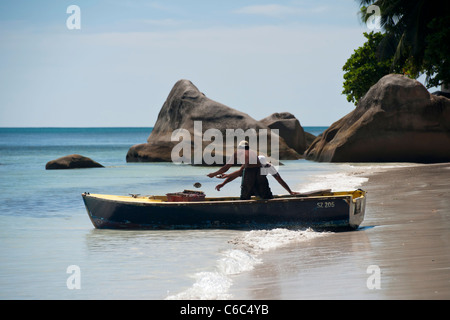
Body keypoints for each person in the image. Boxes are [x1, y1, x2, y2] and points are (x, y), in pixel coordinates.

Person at [207, 140, 273, 200]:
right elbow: (231, 170)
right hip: (253, 173)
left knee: (255, 193)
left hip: (257, 174)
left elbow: (239, 171)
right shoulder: (241, 156)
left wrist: (216, 175)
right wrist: (223, 183)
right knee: (262, 194)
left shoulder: (249, 155)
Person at [215, 155, 299, 196]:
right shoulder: (248, 165)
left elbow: (279, 179)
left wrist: (290, 191)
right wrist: (223, 184)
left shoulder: (268, 166)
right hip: (248, 187)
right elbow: (236, 174)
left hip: (261, 187)